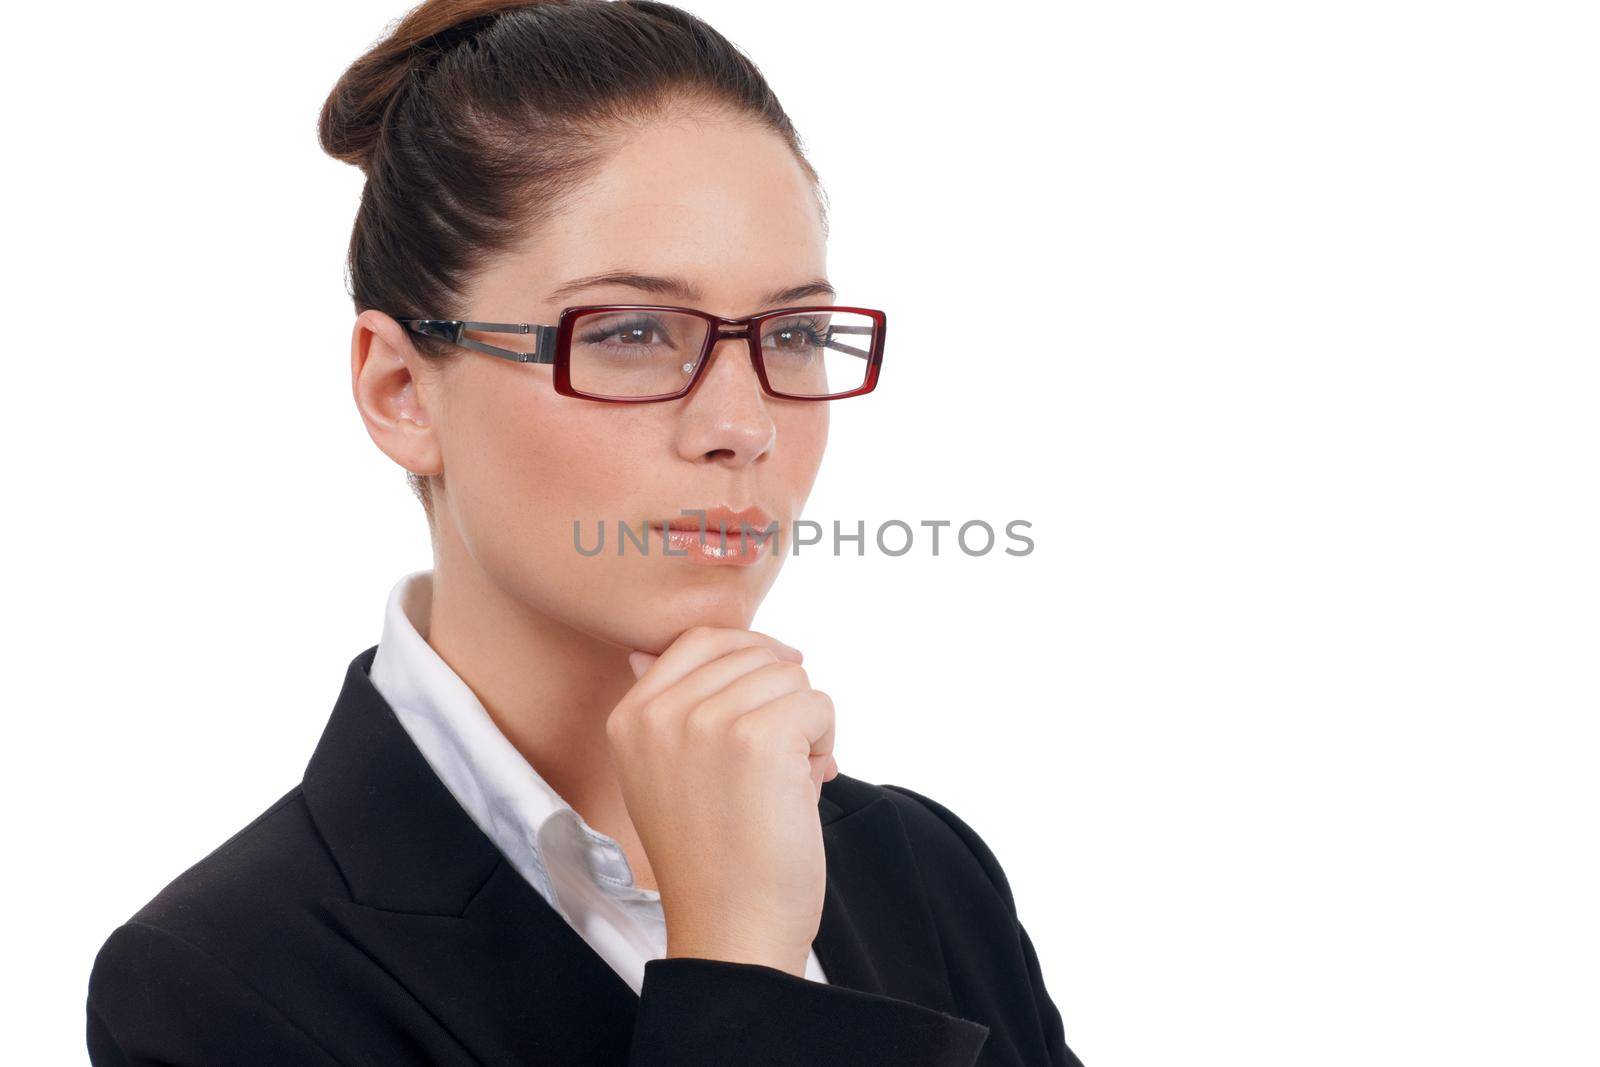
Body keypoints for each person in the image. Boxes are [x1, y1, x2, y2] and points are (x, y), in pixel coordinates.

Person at [84, 1, 1086, 1063]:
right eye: (632, 331)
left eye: (790, 332)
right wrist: (741, 965)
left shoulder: (921, 868)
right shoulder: (222, 979)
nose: (740, 425)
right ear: (399, 390)